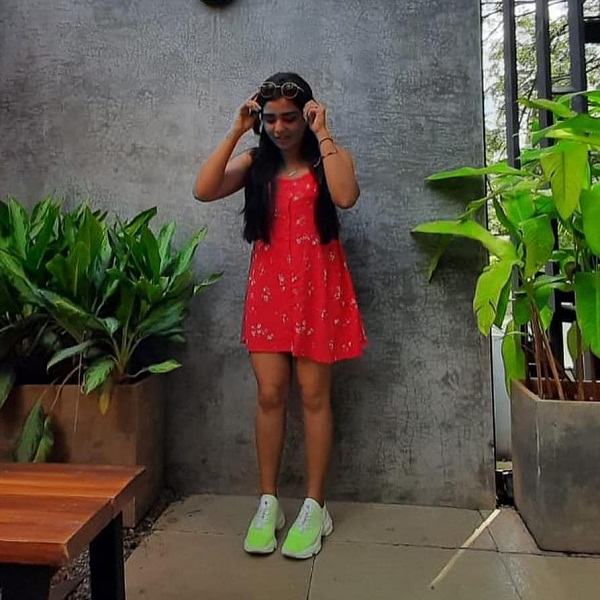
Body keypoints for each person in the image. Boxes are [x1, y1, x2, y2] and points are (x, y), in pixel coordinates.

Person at [193, 72, 366, 559]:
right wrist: (236, 130)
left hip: (317, 292)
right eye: (270, 119)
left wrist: (324, 131)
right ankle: (268, 501)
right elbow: (203, 190)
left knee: (314, 395)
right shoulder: (255, 165)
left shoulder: (328, 158)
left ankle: (315, 505)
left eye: (290, 117)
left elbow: (346, 196)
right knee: (270, 394)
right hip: (269, 293)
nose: (280, 127)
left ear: (306, 115)